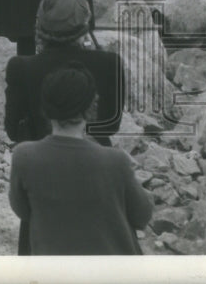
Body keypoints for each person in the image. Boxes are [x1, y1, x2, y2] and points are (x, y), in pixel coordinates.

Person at [8, 64, 152, 255]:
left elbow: (23, 211)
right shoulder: (115, 161)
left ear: (46, 106)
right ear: (90, 107)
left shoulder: (23, 156)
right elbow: (142, 216)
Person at [5, 0, 125, 146]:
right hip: (95, 157)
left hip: (40, 159)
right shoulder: (110, 63)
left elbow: (13, 130)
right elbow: (111, 126)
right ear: (84, 24)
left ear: (40, 23)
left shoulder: (20, 67)